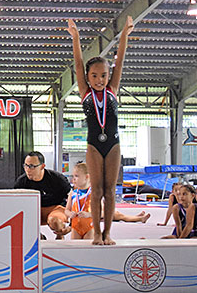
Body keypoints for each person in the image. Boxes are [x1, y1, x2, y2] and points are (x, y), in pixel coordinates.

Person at [67, 16, 133, 245]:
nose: (99, 80)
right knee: (96, 191)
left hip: (113, 145)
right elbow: (77, 63)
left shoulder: (113, 89)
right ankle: (97, 233)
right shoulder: (85, 92)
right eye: (94, 76)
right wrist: (75, 38)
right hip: (94, 145)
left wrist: (124, 34)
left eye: (103, 75)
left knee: (110, 191)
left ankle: (108, 233)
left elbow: (120, 60)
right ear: (87, 77)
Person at [14, 152, 71, 239]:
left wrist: (71, 225)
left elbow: (73, 199)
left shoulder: (57, 179)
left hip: (56, 208)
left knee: (55, 221)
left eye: (32, 166)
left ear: (42, 166)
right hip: (35, 210)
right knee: (22, 219)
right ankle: (39, 237)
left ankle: (60, 236)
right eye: (26, 166)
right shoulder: (21, 182)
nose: (28, 169)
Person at [65, 163, 93, 240]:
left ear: (87, 177)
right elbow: (66, 210)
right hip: (75, 227)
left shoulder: (93, 193)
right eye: (73, 176)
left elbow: (101, 213)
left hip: (90, 227)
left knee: (88, 250)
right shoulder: (72, 193)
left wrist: (89, 214)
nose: (73, 179)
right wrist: (70, 214)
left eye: (76, 176)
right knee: (75, 250)